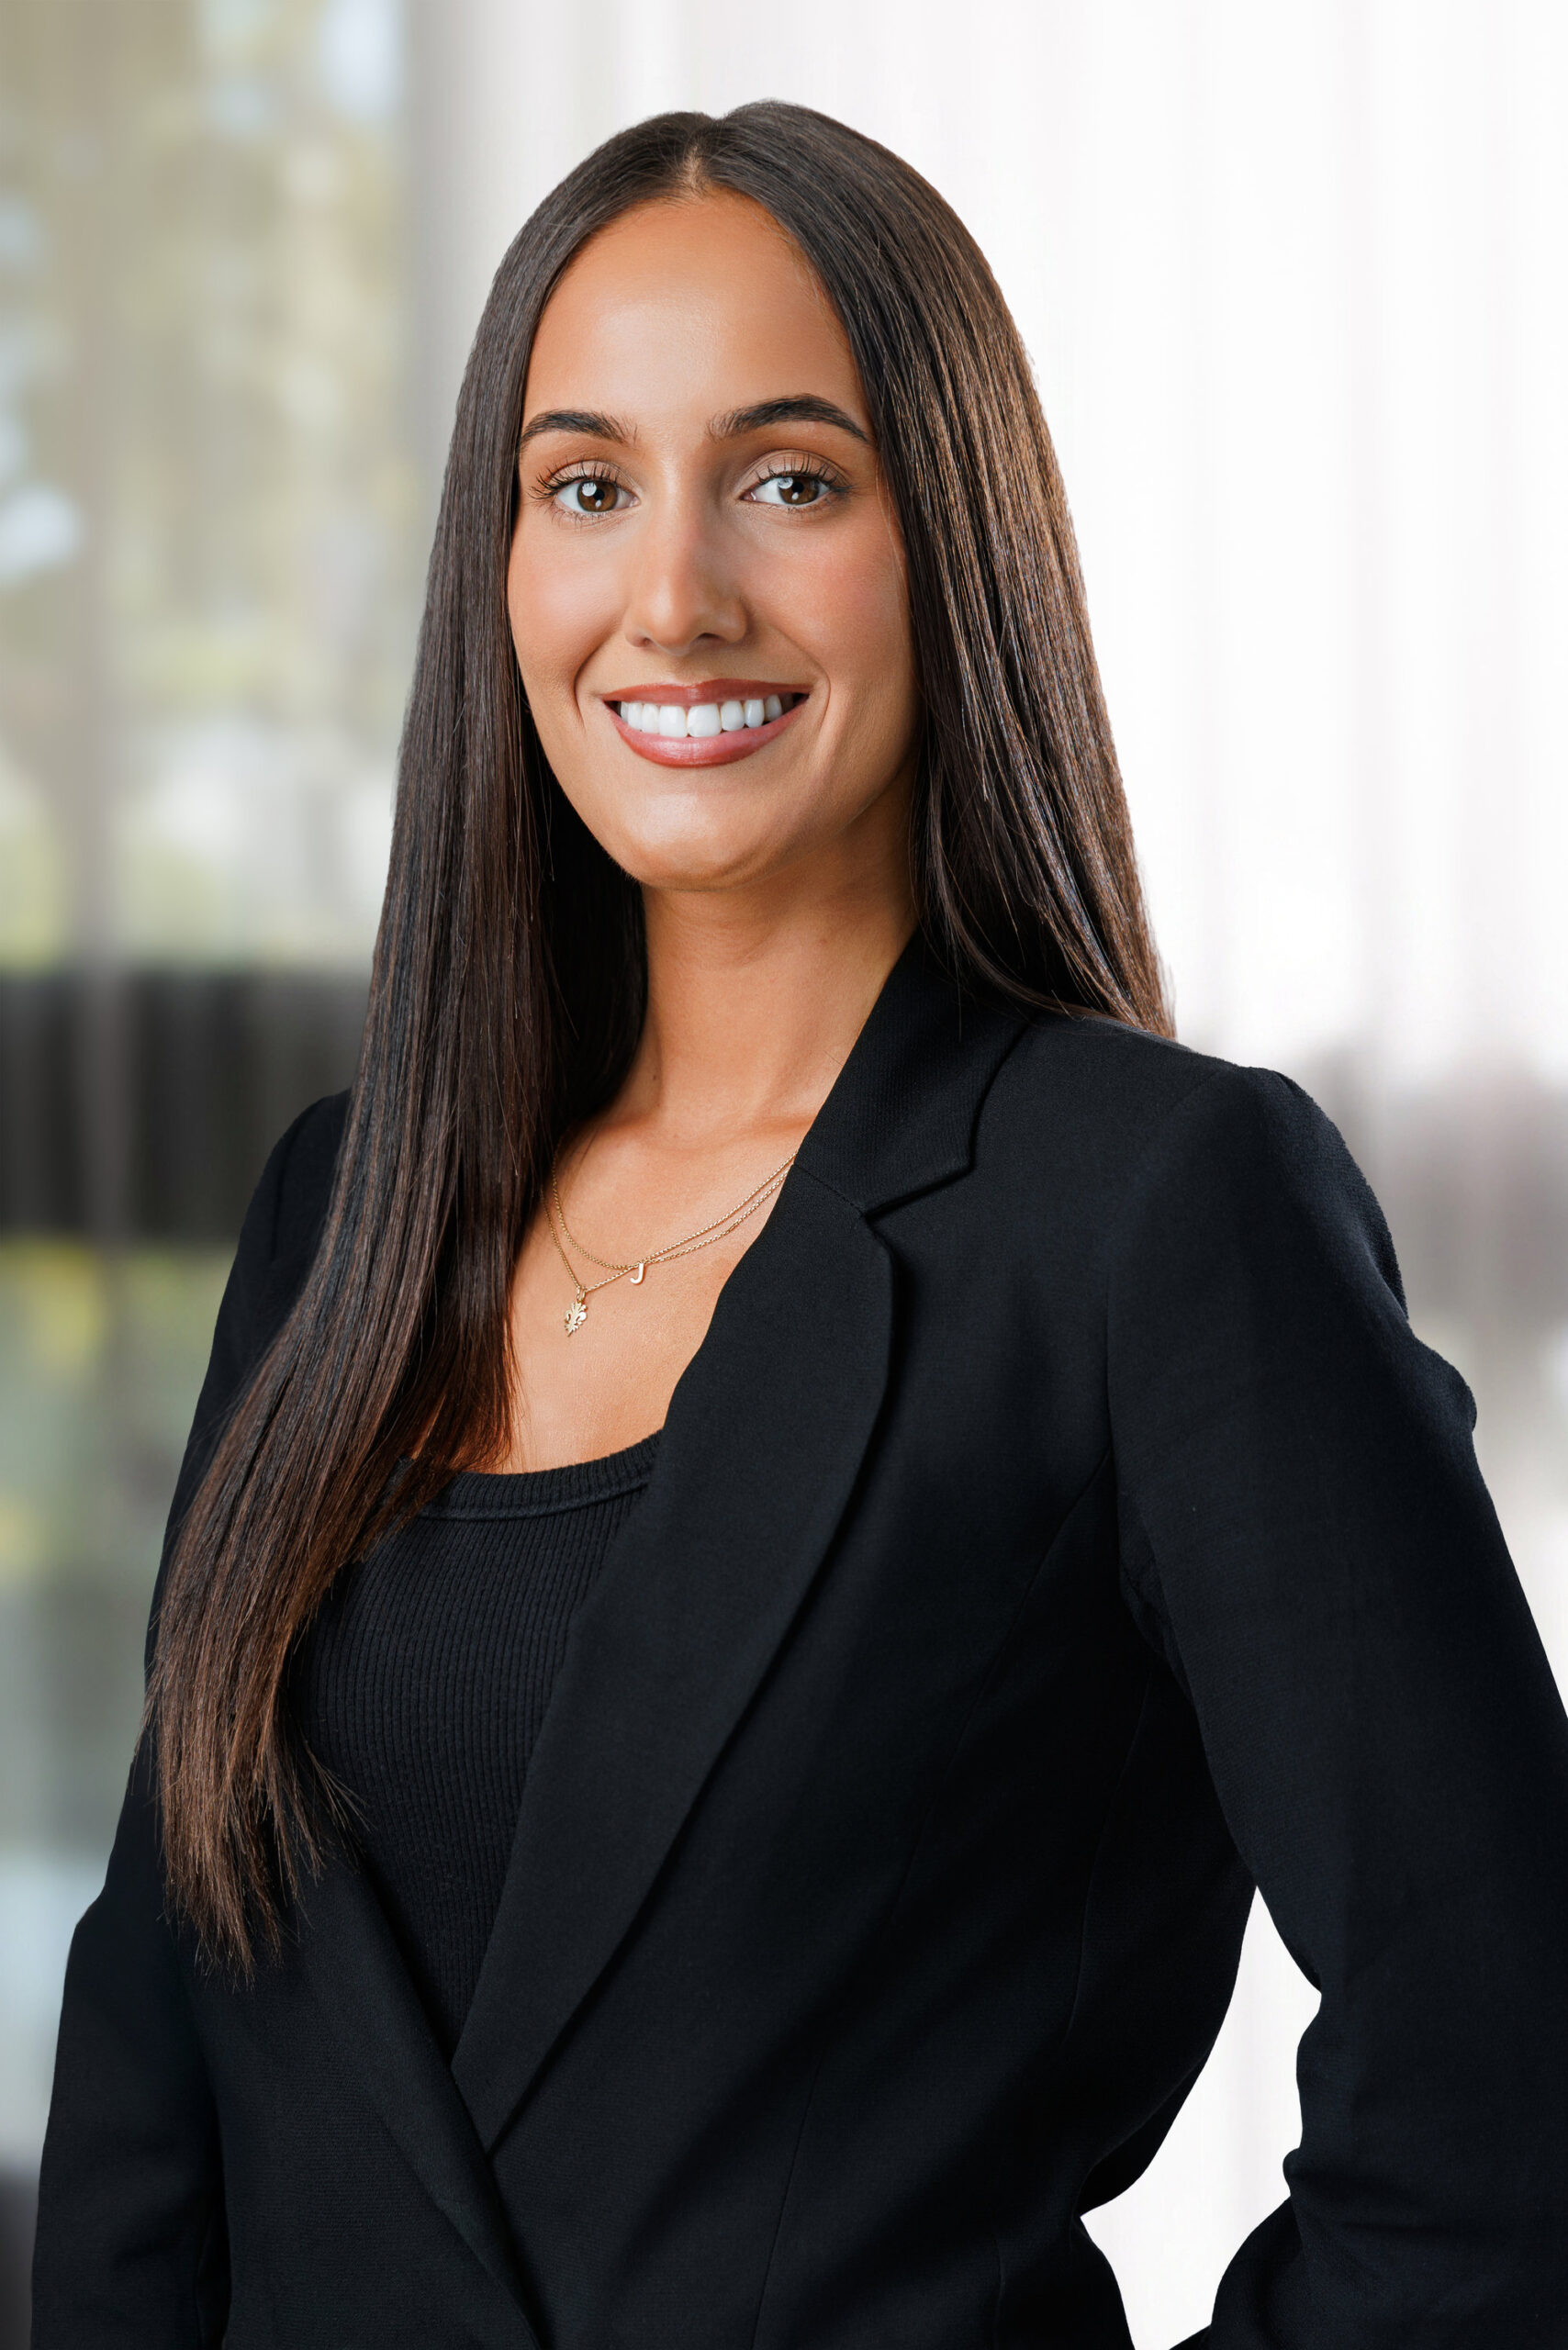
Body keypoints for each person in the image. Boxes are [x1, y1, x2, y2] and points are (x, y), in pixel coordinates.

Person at [32, 102, 1568, 2350]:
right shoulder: (335, 1219)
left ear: (948, 536)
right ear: (500, 565)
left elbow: (1502, 2094)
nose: (671, 595)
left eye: (785, 476)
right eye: (584, 486)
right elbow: (158, 2078)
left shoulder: (1153, 1213)